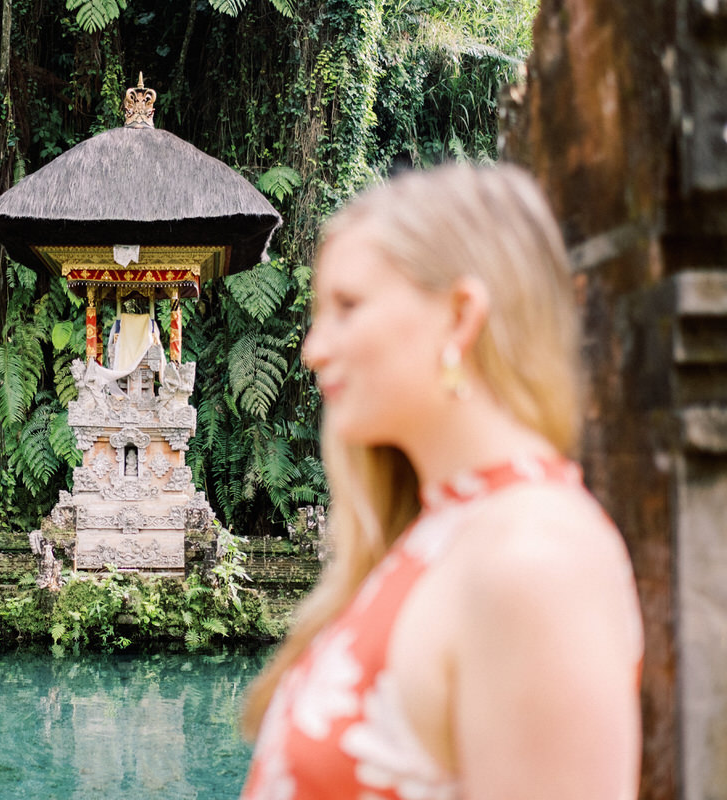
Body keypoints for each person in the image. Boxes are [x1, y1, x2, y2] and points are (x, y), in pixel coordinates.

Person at [239, 163, 643, 800]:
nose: (313, 348)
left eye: (347, 307)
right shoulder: (437, 537)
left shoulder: (536, 560)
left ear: (460, 317)